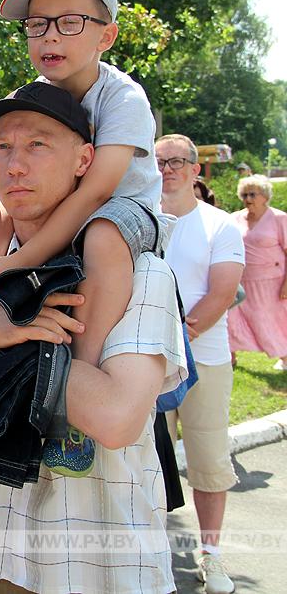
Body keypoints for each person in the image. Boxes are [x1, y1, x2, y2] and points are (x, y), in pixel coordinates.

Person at [0, 85, 187, 593]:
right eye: (2, 147)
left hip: (107, 572)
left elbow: (115, 419)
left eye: (38, 145)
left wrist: (4, 335)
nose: (15, 165)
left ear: (86, 159)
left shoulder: (138, 272)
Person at [0, 0, 164, 474]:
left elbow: (96, 191)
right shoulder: (31, 95)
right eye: (37, 25)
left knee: (102, 235)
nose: (50, 36)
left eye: (70, 22)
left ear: (108, 35)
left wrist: (18, 263)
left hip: (124, 217)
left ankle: (78, 370)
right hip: (54, 216)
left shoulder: (123, 97)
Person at [157, 134, 244, 594]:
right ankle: (148, 555)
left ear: (195, 170)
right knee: (147, 462)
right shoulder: (139, 221)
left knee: (209, 463)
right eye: (158, 162)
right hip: (146, 363)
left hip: (203, 361)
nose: (167, 169)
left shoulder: (221, 225)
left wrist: (176, 340)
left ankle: (211, 555)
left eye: (176, 162)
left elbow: (222, 294)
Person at [227, 174, 287, 369]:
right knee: (233, 319)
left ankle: (284, 356)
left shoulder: (279, 218)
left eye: (253, 194)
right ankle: (230, 357)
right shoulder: (234, 218)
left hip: (272, 282)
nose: (248, 199)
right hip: (241, 280)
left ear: (265, 196)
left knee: (270, 320)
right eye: (244, 194)